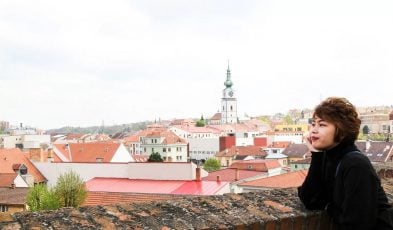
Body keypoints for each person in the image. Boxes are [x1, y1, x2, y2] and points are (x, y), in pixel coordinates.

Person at [298, 97, 393, 229]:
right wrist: (316, 155)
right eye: (313, 124)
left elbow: (357, 224)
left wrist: (329, 207)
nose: (313, 130)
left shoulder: (356, 165)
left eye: (322, 124)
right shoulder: (327, 156)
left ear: (342, 131)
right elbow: (310, 201)